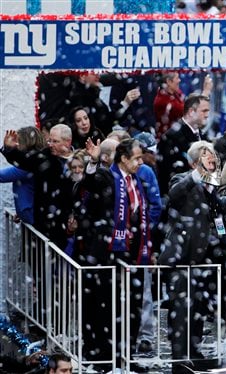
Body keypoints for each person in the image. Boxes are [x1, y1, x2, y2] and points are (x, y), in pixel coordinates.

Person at [81, 138, 152, 368]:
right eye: (137, 158)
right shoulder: (107, 176)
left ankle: (127, 357)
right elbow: (90, 183)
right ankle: (103, 358)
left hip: (132, 254)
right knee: (106, 307)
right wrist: (92, 164)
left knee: (131, 308)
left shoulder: (137, 180)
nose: (141, 162)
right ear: (123, 159)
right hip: (107, 254)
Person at [158, 141, 226, 359]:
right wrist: (196, 175)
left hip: (205, 259)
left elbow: (219, 214)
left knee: (198, 309)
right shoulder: (182, 178)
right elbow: (174, 194)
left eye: (212, 154)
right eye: (204, 155)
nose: (210, 158)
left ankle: (195, 353)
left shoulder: (213, 185)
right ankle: (180, 359)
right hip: (182, 258)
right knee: (181, 311)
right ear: (193, 162)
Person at [2, 124, 75, 250]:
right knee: (44, 264)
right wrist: (10, 149)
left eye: (55, 141)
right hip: (45, 222)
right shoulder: (45, 157)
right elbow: (23, 161)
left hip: (70, 224)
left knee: (66, 265)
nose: (50, 144)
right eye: (49, 140)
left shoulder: (80, 160)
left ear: (68, 142)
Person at [157, 94, 211, 197]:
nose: (207, 115)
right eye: (204, 111)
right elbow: (167, 176)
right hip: (182, 201)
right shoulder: (172, 137)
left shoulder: (204, 136)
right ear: (191, 112)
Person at [0, 126, 46, 224]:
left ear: (27, 143)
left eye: (18, 141)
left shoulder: (28, 166)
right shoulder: (33, 162)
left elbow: (2, 176)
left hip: (32, 216)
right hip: (32, 214)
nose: (16, 144)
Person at [153, 72, 212, 140]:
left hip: (179, 137)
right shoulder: (163, 102)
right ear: (169, 82)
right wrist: (206, 92)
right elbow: (191, 113)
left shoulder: (174, 92)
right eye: (177, 78)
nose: (179, 80)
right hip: (169, 142)